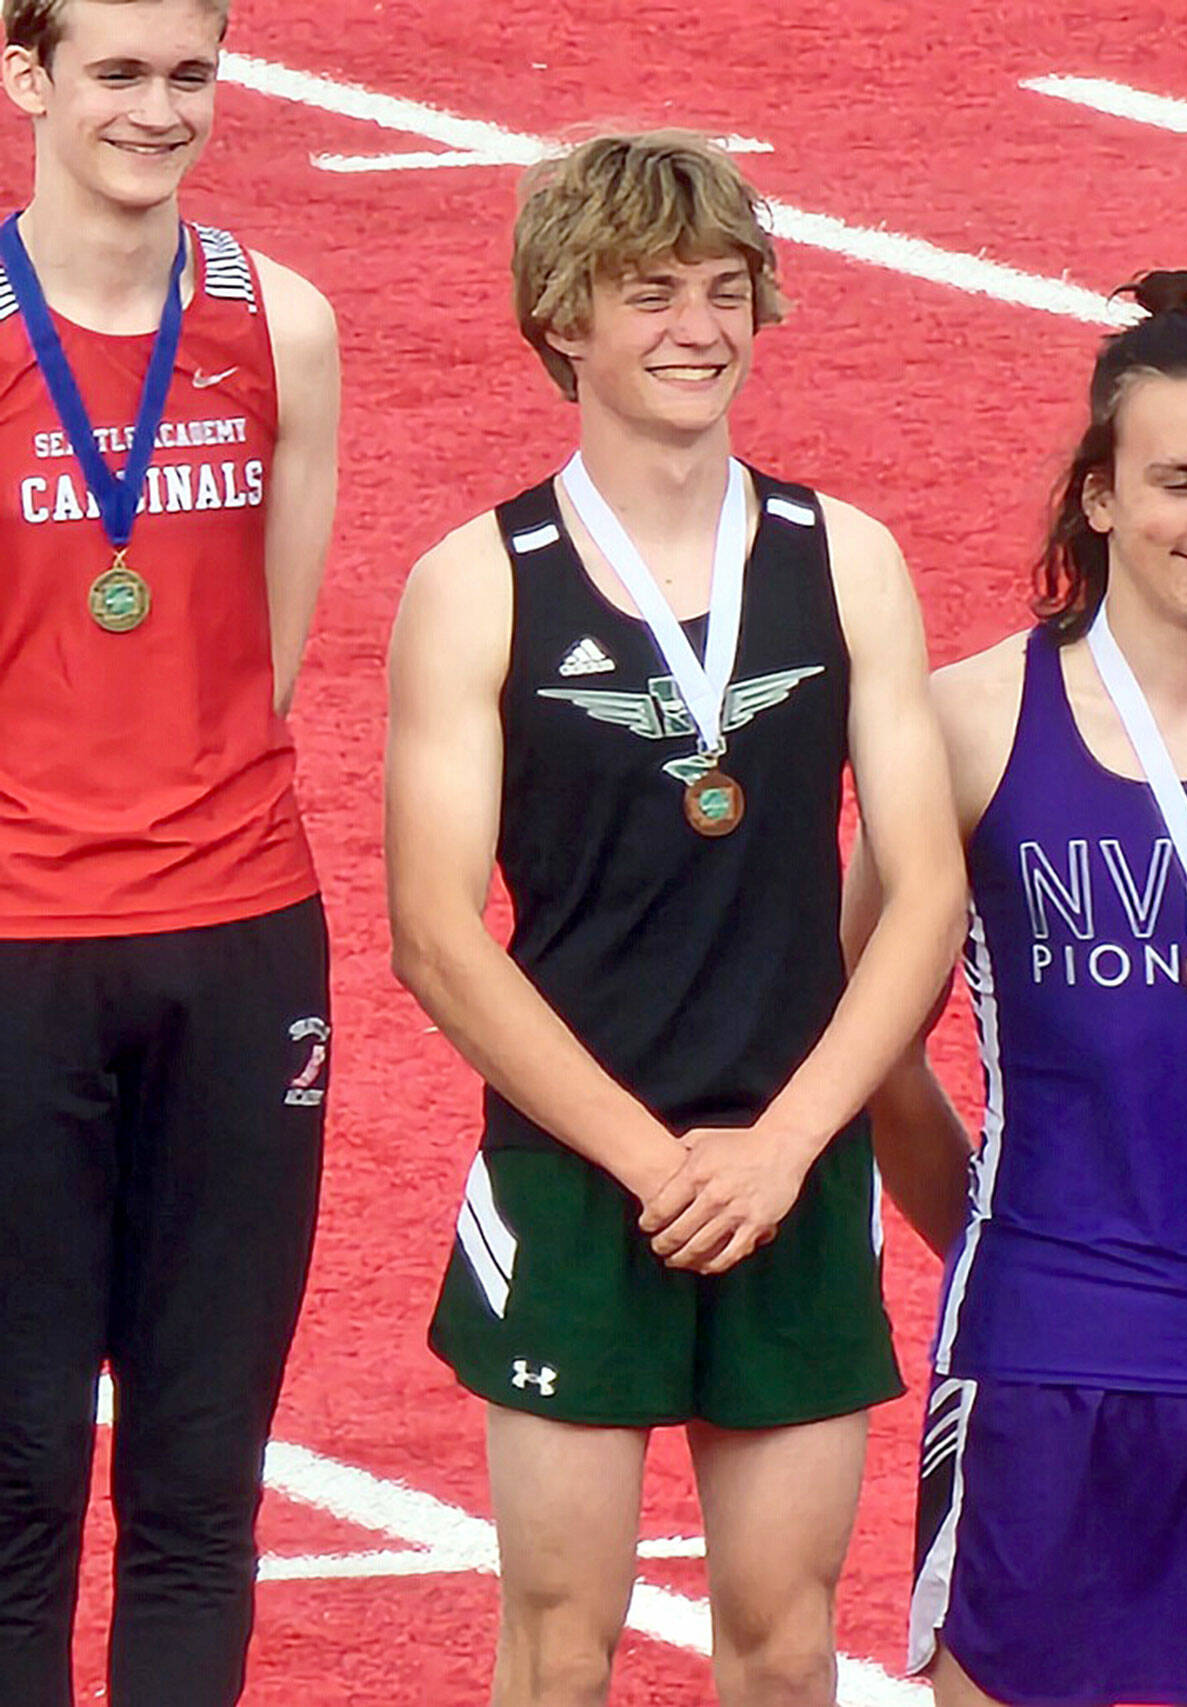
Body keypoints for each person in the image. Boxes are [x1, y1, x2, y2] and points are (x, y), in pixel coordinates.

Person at [386, 129, 965, 1706]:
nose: (702, 328)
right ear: (562, 317)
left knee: (786, 1653)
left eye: (728, 289)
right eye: (652, 293)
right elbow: (434, 935)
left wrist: (782, 1147)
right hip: (578, 1178)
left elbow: (922, 889)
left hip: (792, 1156)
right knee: (559, 1650)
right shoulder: (475, 581)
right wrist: (651, 1159)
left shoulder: (846, 559)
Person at [853, 270, 1187, 1707]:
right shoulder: (969, 720)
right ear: (1099, 494)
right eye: (1182, 481)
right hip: (1050, 1348)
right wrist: (988, 1222)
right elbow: (864, 1040)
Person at [0, 2, 339, 1703]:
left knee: (202, 1491)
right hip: (15, 953)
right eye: (117, 73)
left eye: (188, 75)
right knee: (15, 1492)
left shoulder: (281, 323)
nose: (156, 109)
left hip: (239, 937)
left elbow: (263, 659)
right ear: (26, 76)